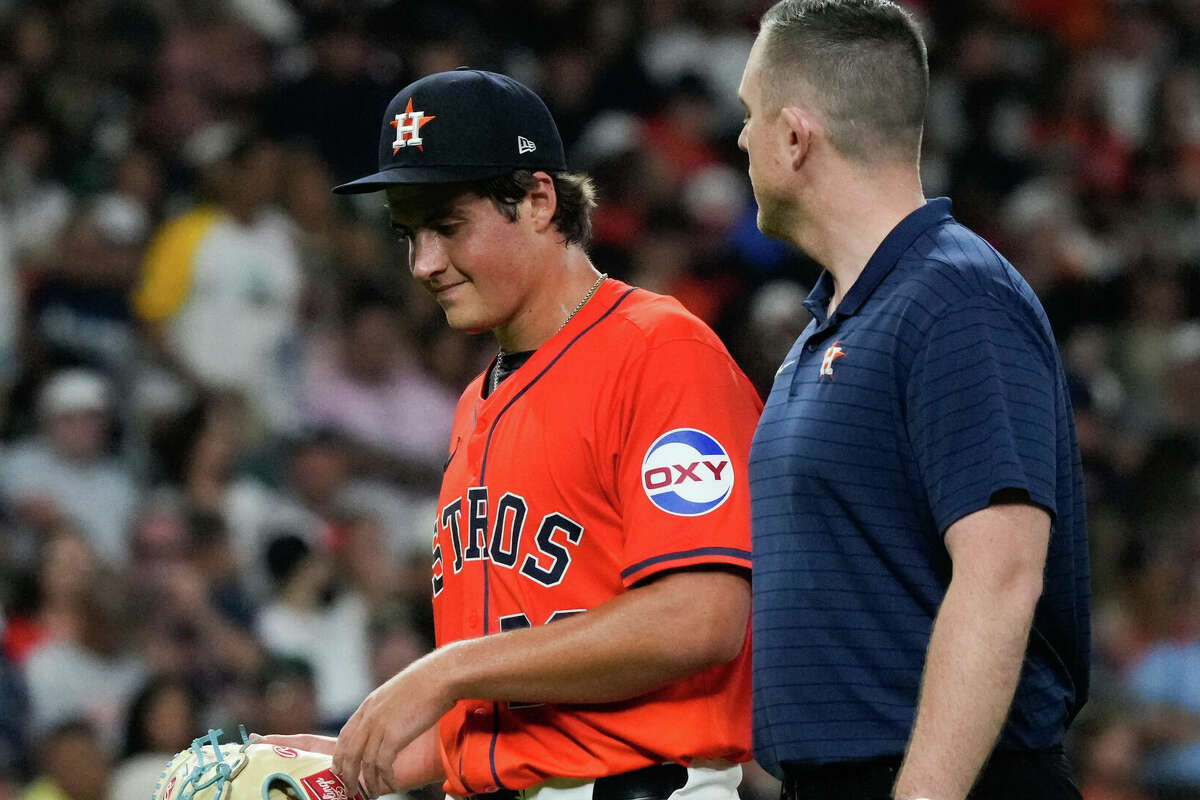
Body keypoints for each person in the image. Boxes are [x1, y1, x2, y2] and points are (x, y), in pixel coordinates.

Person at [261, 68, 763, 800]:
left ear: (537, 200)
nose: (424, 263)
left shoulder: (659, 351)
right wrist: (341, 767)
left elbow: (703, 617)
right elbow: (508, 708)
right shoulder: (474, 404)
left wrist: (447, 668)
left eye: (447, 225)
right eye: (409, 234)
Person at [736, 2, 1090, 800]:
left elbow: (1000, 575)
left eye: (750, 115)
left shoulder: (955, 300)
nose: (740, 140)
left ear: (795, 137)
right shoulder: (834, 323)